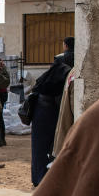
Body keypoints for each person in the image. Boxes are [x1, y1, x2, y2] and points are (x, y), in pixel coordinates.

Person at [29, 36, 73, 186]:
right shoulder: (76, 61)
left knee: (41, 147)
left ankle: (40, 179)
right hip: (57, 107)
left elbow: (41, 84)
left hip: (45, 107)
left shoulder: (60, 60)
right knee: (58, 145)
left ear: (65, 46)